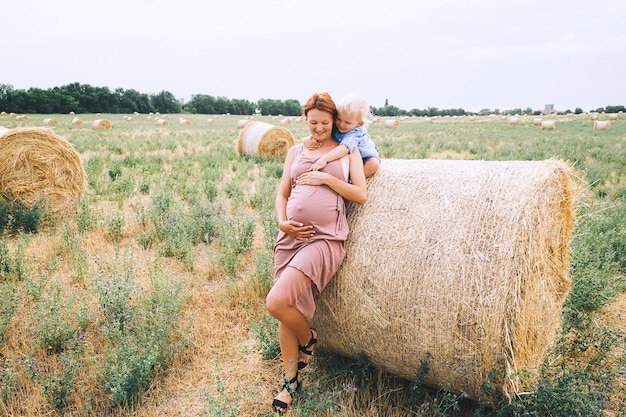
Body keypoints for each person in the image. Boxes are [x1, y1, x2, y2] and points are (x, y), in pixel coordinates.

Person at [265, 92, 367, 414]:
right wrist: (283, 222)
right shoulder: (295, 151)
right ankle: (290, 382)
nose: (319, 128)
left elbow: (360, 194)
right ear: (304, 120)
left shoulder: (346, 151)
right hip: (290, 238)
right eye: (313, 122)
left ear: (334, 121)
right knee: (286, 305)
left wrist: (325, 177)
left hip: (325, 239)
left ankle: (308, 339)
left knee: (276, 302)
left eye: (325, 123)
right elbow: (283, 194)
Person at [304, 92, 381, 178]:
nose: (341, 124)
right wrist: (307, 140)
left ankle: (352, 180)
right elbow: (322, 133)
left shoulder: (355, 133)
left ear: (359, 123)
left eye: (347, 122)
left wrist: (324, 159)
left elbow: (344, 149)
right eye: (339, 119)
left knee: (373, 164)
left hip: (365, 156)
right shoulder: (339, 125)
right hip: (348, 155)